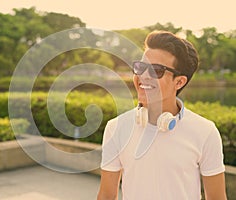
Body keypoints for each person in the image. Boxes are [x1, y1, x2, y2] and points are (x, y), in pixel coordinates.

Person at [97, 31, 227, 200]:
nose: (143, 76)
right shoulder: (116, 128)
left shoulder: (205, 132)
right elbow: (106, 196)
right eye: (141, 67)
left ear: (179, 82)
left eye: (156, 70)